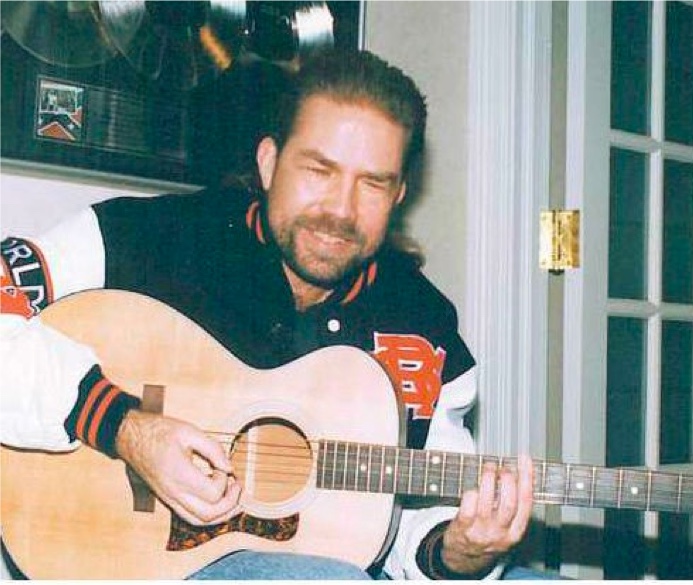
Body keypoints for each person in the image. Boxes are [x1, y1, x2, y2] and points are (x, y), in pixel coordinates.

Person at [1, 48, 551, 580]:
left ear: (399, 194)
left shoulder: (423, 323)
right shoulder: (146, 238)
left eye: (373, 184)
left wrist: (458, 552)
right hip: (134, 559)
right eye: (319, 170)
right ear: (268, 163)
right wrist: (124, 426)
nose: (340, 209)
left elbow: (406, 532)